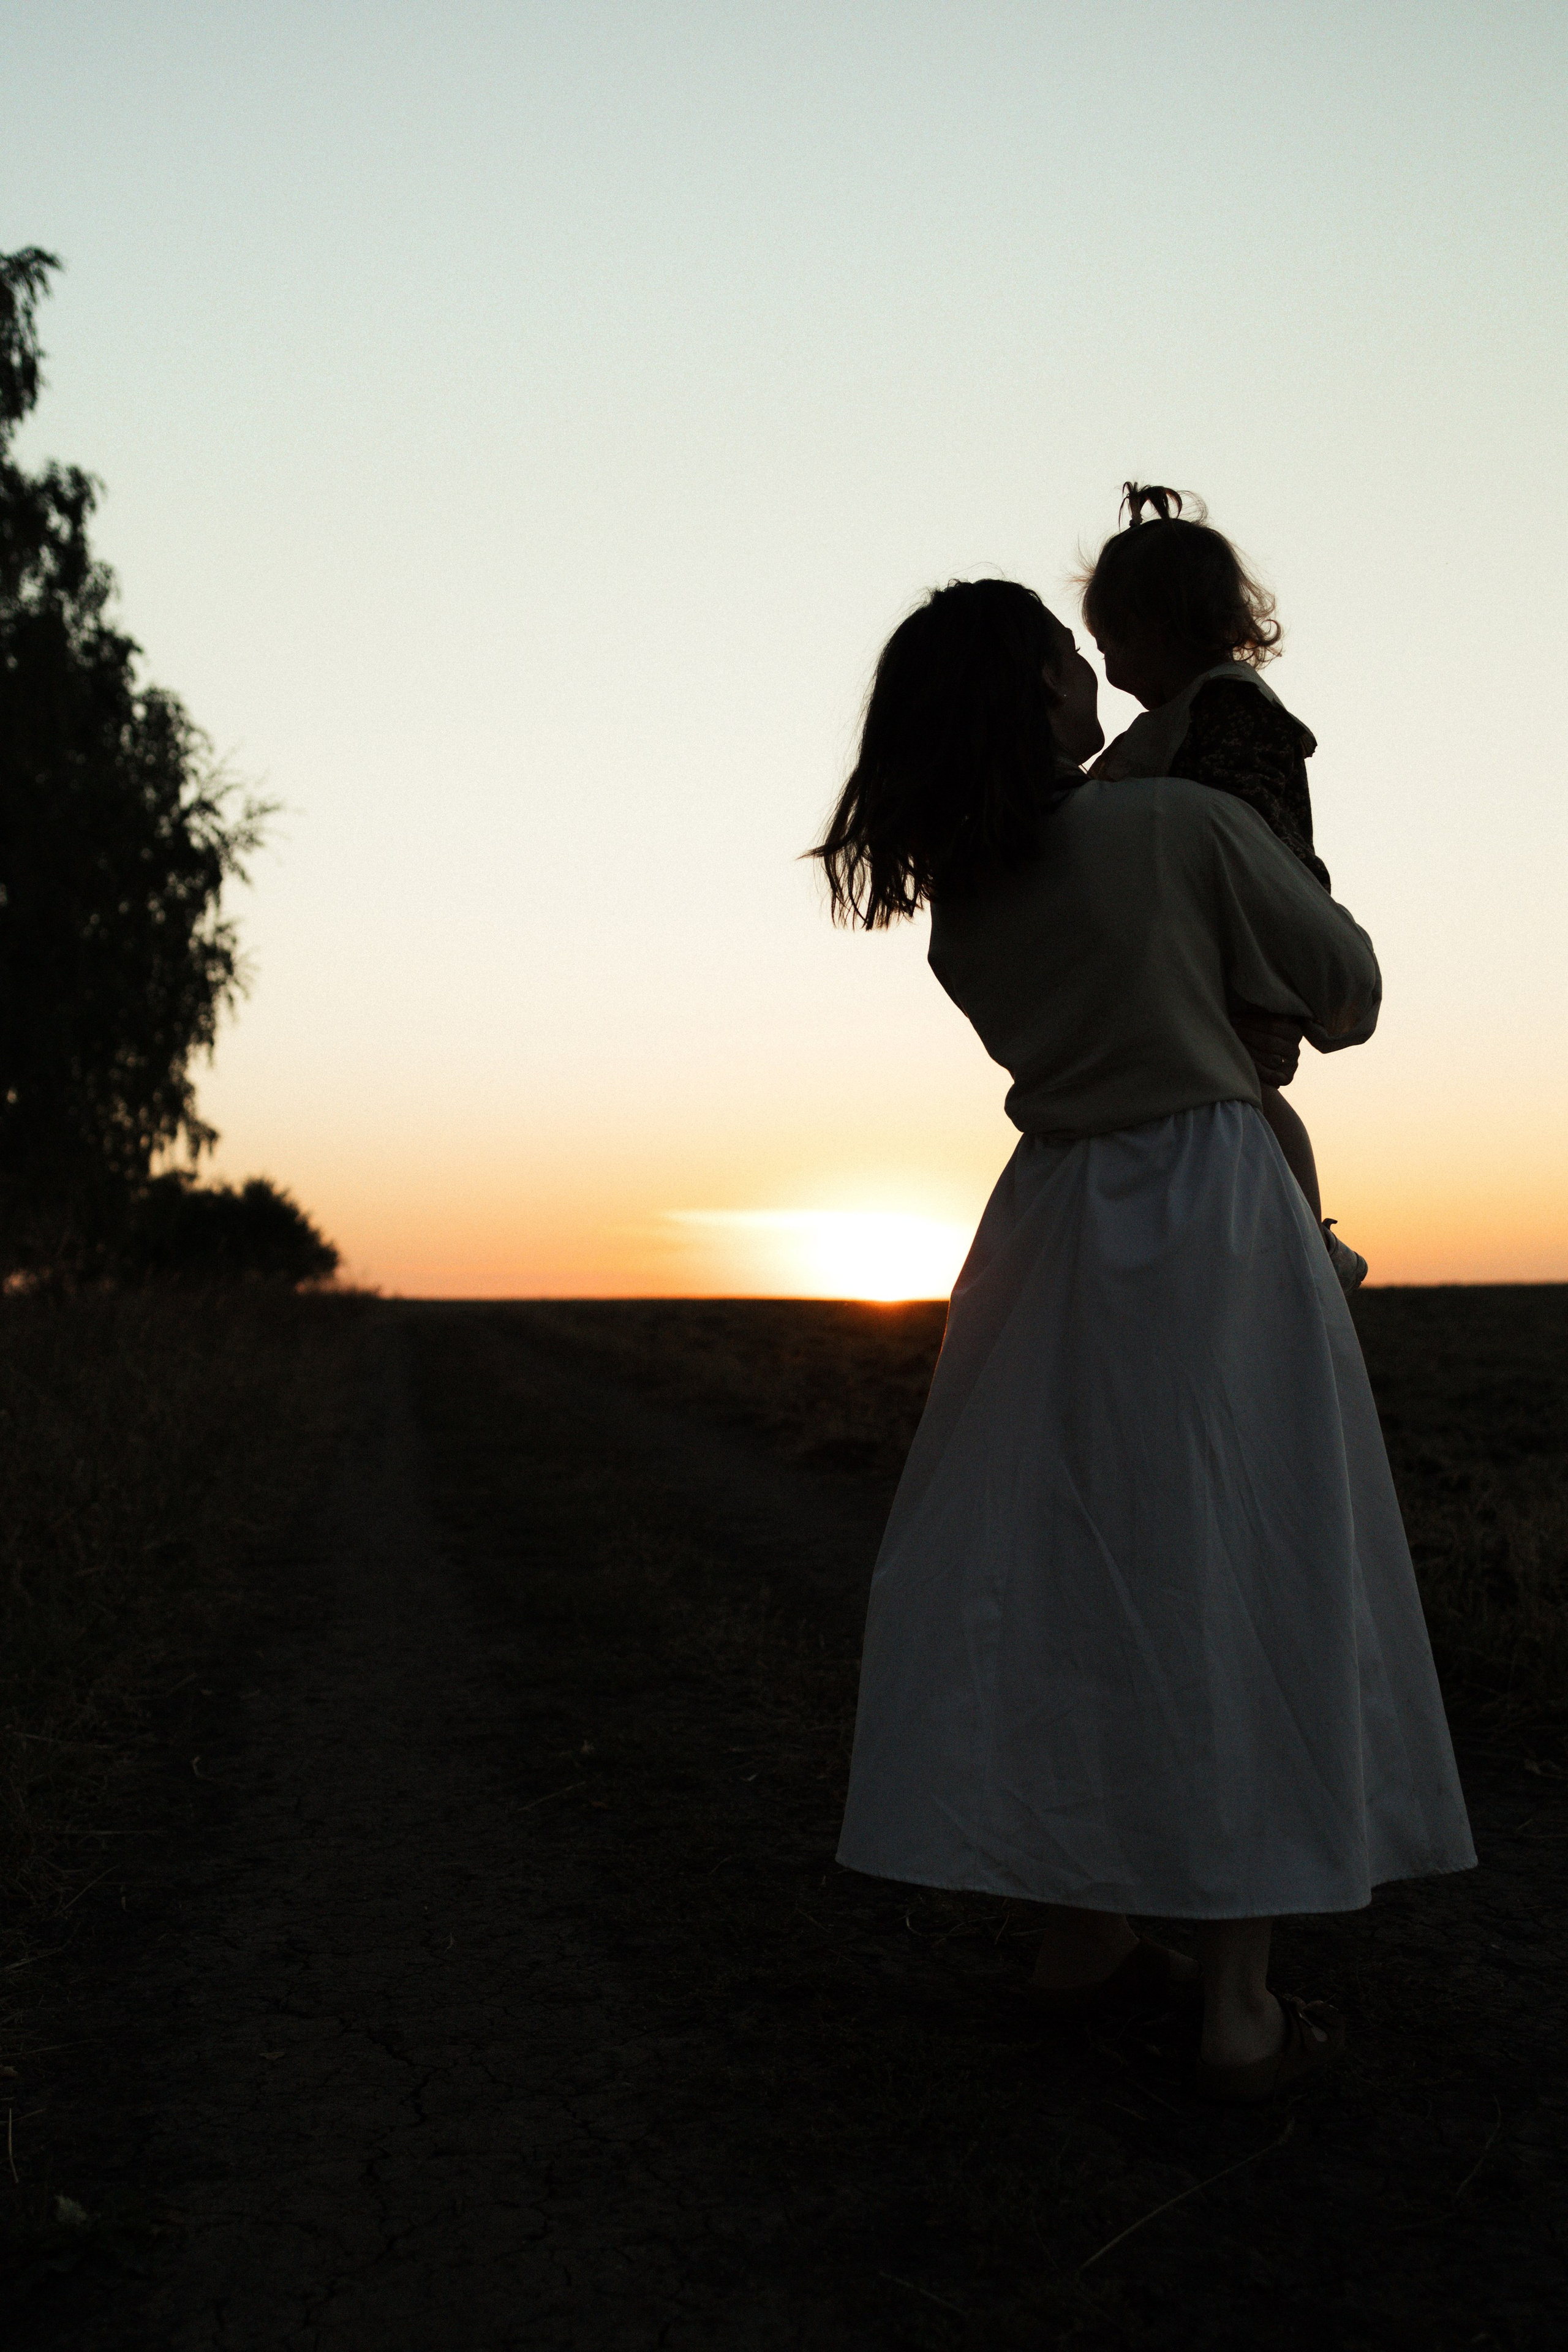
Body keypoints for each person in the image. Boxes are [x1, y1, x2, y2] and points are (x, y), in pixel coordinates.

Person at [812, 578, 1474, 2104]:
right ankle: (1237, 2008)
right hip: (1209, 1225)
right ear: (1043, 693)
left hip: (1047, 1234)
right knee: (1231, 1576)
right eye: (1065, 657)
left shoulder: (964, 901)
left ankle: (1081, 1934)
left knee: (1063, 1573)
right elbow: (1346, 993)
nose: (1088, 674)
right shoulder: (1177, 827)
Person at [1079, 483, 1366, 1291]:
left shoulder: (1228, 712)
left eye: (1114, 640)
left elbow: (1256, 850)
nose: (1106, 661)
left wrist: (1272, 992)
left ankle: (1308, 1243)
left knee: (1250, 1092)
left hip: (1243, 937)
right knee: (1240, 1091)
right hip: (1202, 945)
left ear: (1162, 628)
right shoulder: (1175, 721)